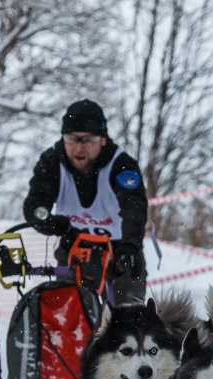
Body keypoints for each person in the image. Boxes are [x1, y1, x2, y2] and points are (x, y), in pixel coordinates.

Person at [22, 99, 149, 305]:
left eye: (88, 140)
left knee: (127, 322)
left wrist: (130, 245)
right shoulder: (52, 161)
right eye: (71, 139)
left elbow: (134, 207)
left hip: (119, 249)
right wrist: (45, 219)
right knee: (71, 321)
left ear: (103, 140)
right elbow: (37, 201)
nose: (79, 148)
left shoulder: (122, 165)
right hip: (75, 247)